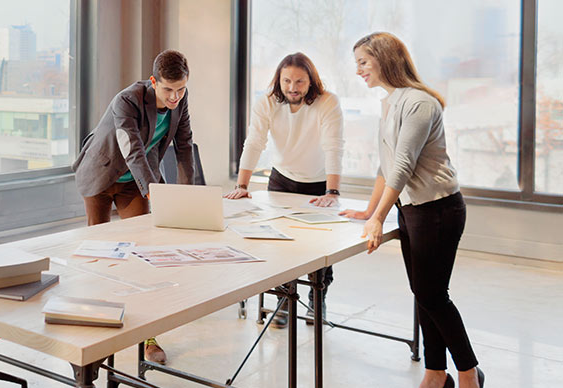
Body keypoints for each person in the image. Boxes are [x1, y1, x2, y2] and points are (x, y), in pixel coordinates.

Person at [341, 32, 484, 388]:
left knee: (433, 295)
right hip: (413, 210)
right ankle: (436, 373)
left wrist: (377, 219)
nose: (358, 70)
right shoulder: (390, 102)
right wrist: (369, 211)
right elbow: (385, 165)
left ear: (385, 59)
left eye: (363, 61)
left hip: (438, 209)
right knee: (424, 293)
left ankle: (469, 373)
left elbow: (403, 164)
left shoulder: (419, 102)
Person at [71, 49, 195, 364]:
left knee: (139, 256)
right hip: (102, 174)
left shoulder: (180, 101)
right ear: (154, 82)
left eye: (180, 89)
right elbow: (133, 150)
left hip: (132, 184)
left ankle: (147, 338)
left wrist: (187, 194)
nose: (175, 97)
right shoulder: (126, 100)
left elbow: (184, 146)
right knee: (101, 258)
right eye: (168, 89)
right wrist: (155, 190)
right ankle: (94, 337)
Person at [224, 52, 344, 328]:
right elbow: (254, 142)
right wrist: (242, 185)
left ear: (311, 81)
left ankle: (317, 301)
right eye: (287, 80)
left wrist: (333, 191)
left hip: (318, 184)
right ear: (278, 80)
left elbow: (333, 146)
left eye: (300, 81)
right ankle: (283, 301)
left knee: (319, 247)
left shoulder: (328, 102)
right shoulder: (266, 102)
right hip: (281, 180)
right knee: (281, 243)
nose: (293, 87)